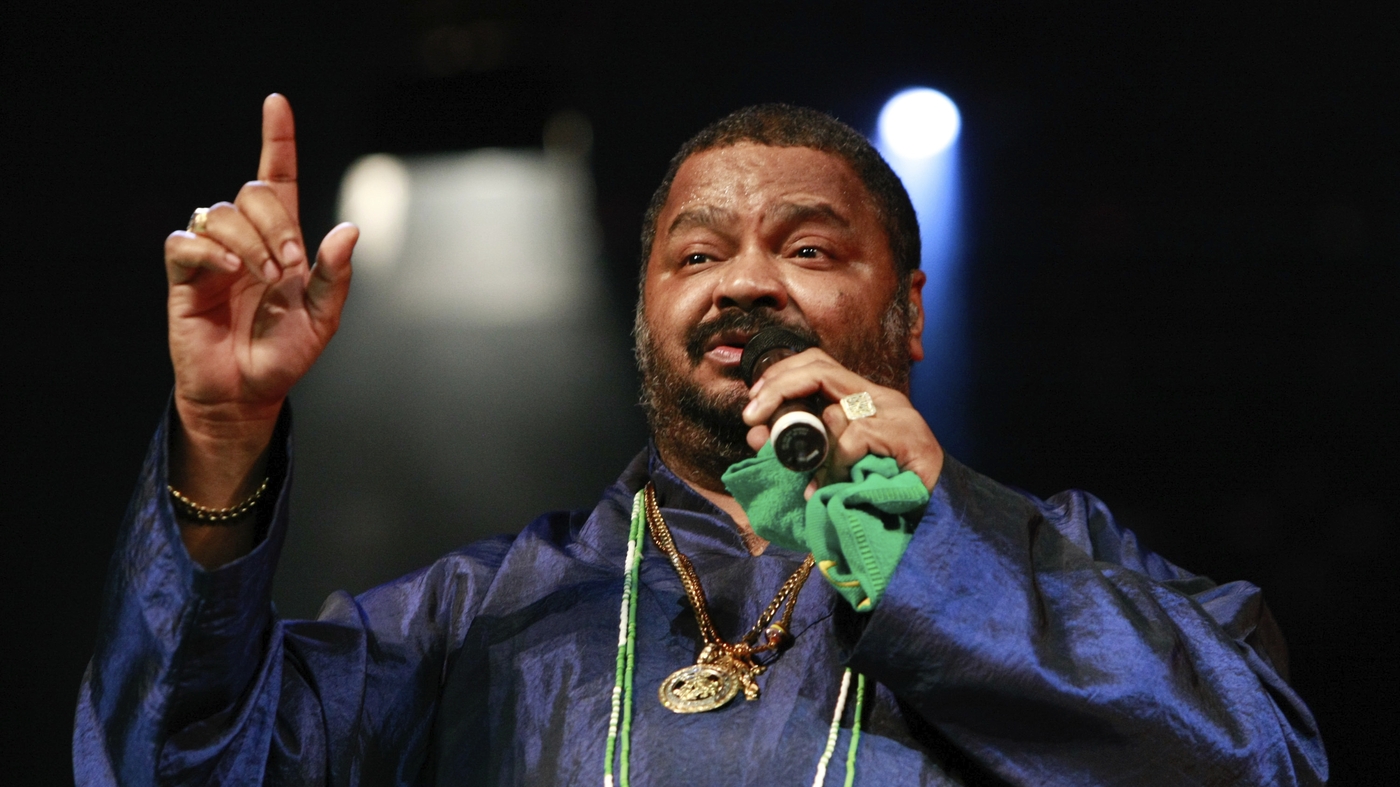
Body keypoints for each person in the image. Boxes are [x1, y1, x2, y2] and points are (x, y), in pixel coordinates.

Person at [74, 94, 1327, 786]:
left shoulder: (1062, 565)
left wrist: (918, 546)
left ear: (908, 313)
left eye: (807, 247)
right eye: (695, 253)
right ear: (643, 318)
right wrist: (220, 429)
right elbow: (174, 763)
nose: (742, 283)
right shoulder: (483, 615)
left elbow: (1252, 768)